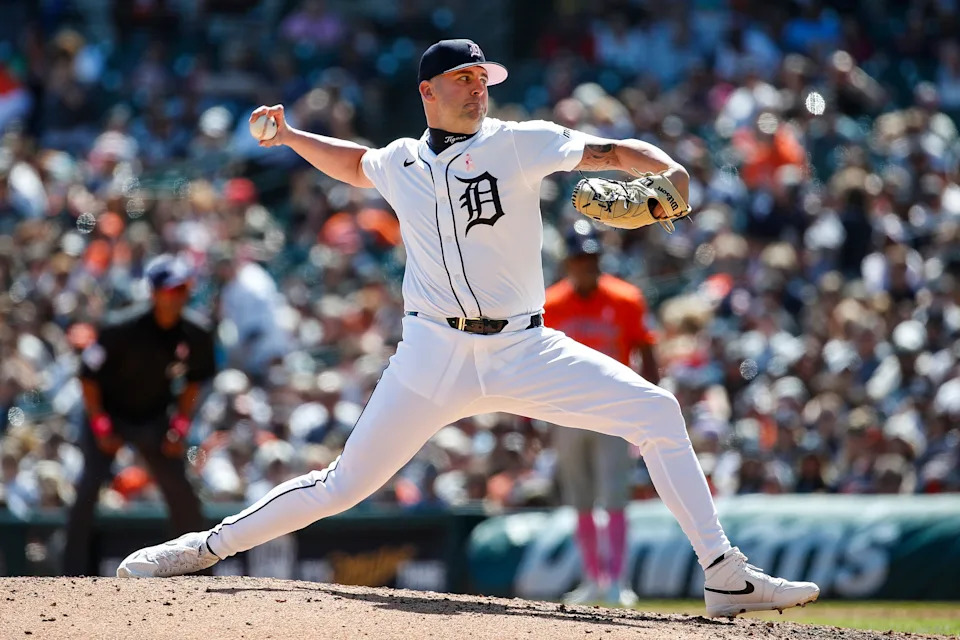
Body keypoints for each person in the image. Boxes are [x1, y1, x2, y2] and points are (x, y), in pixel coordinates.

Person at [116, 39, 819, 618]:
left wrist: (669, 169)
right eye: (464, 78)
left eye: (483, 77)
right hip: (432, 352)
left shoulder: (519, 144)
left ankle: (724, 573)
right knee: (341, 485)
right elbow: (352, 165)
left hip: (523, 346)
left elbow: (610, 152)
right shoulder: (399, 162)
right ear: (429, 91)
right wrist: (292, 134)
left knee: (658, 411)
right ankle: (201, 549)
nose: (478, 87)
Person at [63, 254, 216, 576]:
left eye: (183, 289)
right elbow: (87, 377)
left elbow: (194, 382)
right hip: (108, 413)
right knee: (89, 486)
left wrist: (180, 425)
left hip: (153, 417)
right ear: (154, 292)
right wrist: (101, 426)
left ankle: (195, 572)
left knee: (181, 491)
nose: (178, 296)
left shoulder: (196, 331)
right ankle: (73, 573)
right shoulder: (121, 327)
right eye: (171, 289)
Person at [546, 222, 659, 607]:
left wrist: (650, 400)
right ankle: (592, 578)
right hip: (567, 413)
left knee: (613, 497)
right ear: (568, 263)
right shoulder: (549, 304)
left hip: (614, 411)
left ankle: (618, 580)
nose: (586, 266)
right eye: (579, 259)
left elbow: (647, 350)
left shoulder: (625, 299)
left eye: (591, 259)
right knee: (580, 499)